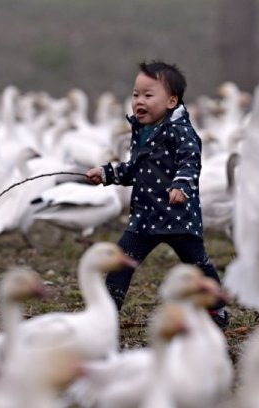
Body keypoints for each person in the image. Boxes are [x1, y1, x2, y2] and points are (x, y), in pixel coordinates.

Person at [86, 60, 228, 329]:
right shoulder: (141, 131)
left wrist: (181, 186)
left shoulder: (182, 132)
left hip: (178, 218)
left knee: (198, 265)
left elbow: (190, 161)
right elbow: (134, 170)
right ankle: (105, 316)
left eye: (148, 95)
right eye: (136, 94)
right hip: (144, 218)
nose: (139, 101)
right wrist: (106, 174)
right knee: (120, 264)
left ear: (172, 101)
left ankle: (215, 309)